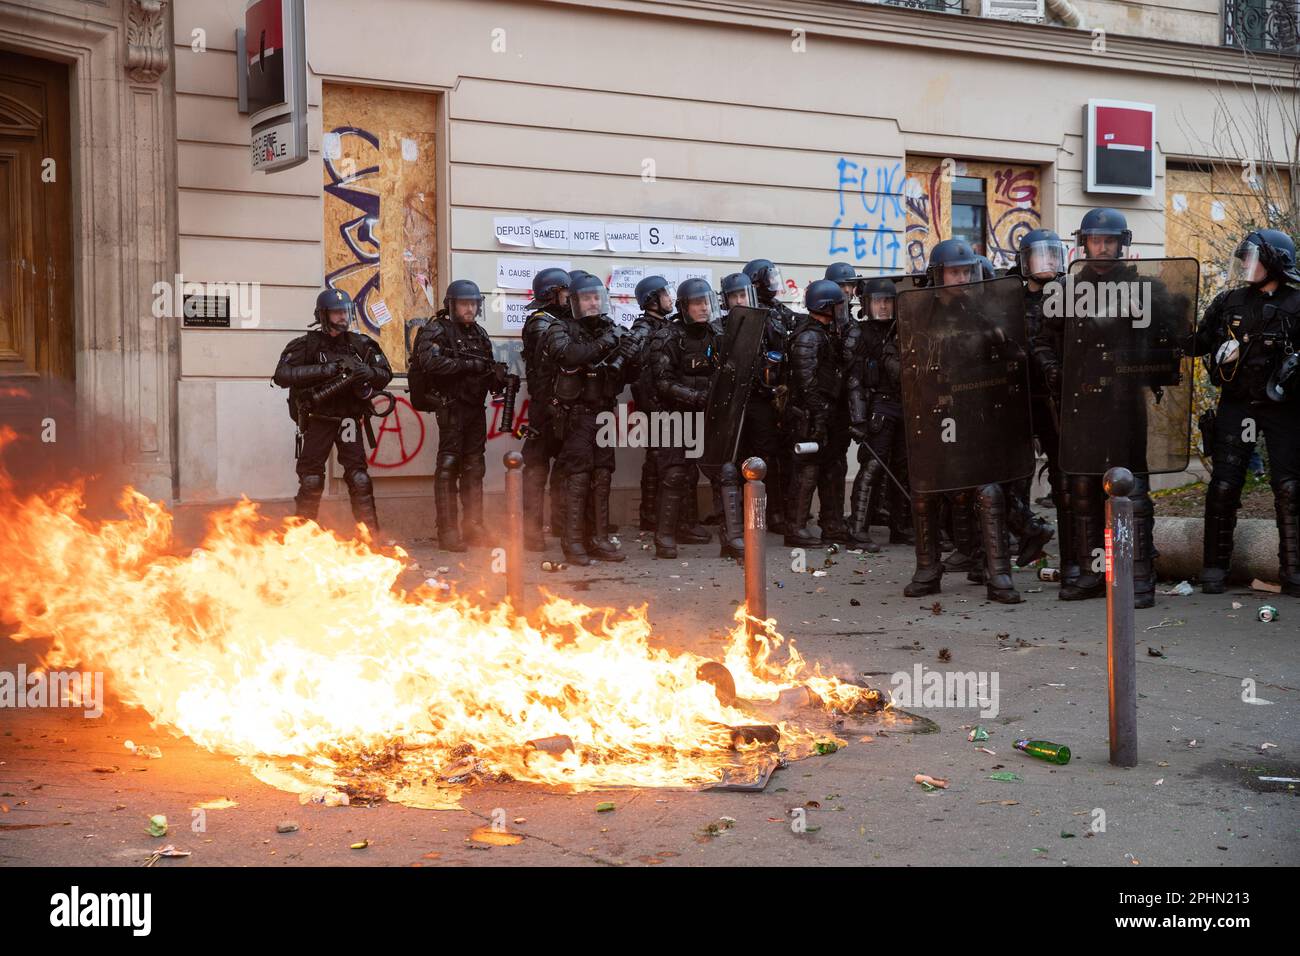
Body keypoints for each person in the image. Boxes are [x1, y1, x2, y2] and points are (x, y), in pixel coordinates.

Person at [902, 239, 1024, 604]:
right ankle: (927, 568)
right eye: (955, 271)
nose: (962, 278)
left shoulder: (980, 312)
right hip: (931, 412)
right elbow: (898, 360)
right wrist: (923, 373)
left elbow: (1010, 356)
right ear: (938, 274)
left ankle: (998, 572)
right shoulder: (917, 313)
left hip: (975, 414)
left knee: (987, 491)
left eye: (966, 270)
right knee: (926, 492)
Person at [1191, 228, 1300, 597]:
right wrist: (1162, 321)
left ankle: (1294, 574)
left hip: (1283, 409)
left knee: (1289, 488)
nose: (1246, 266)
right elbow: (1196, 342)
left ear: (1276, 263)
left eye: (1253, 259)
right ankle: (1213, 570)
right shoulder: (1229, 301)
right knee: (1223, 485)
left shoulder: (1298, 303)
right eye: (1244, 260)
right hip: (1237, 406)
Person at [274, 287, 392, 533]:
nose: (343, 317)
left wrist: (367, 373)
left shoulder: (361, 344)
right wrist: (325, 371)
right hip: (319, 418)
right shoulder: (306, 345)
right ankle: (302, 539)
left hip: (348, 418)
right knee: (311, 479)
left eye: (346, 311)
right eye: (337, 312)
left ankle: (371, 538)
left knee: (359, 478)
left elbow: (385, 374)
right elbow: (282, 375)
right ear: (323, 315)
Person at [649, 278, 746, 560]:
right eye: (697, 303)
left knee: (725, 472)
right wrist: (695, 397)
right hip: (676, 417)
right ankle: (665, 538)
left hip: (710, 418)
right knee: (675, 475)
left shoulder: (717, 334)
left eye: (707, 302)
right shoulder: (667, 337)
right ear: (683, 307)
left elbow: (728, 371)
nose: (704, 308)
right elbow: (662, 382)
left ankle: (731, 538)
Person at [542, 273, 633, 565]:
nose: (593, 303)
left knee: (603, 475)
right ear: (575, 301)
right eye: (586, 298)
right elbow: (568, 355)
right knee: (578, 476)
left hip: (604, 411)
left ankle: (599, 538)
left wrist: (629, 351)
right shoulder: (559, 327)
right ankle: (573, 541)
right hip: (576, 415)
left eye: (596, 297)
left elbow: (628, 368)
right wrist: (609, 343)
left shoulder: (610, 327)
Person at [410, 279, 504, 551]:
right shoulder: (436, 330)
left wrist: (497, 379)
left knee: (475, 468)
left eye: (473, 304)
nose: (470, 309)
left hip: (475, 409)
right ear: (452, 305)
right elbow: (428, 362)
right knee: (449, 467)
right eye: (464, 304)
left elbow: (484, 369)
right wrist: (467, 365)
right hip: (450, 406)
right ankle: (448, 529)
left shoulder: (480, 334)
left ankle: (474, 525)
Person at [844, 277, 907, 552]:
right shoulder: (860, 334)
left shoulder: (902, 329)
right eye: (878, 301)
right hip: (878, 406)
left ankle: (901, 527)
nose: (883, 306)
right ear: (867, 304)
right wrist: (858, 419)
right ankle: (857, 529)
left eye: (888, 301)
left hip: (904, 404)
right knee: (872, 466)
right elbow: (853, 380)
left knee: (904, 468)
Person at [783, 279, 846, 547]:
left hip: (825, 414)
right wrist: (819, 414)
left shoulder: (824, 333)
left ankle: (831, 525)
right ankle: (795, 529)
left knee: (832, 468)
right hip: (809, 416)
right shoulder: (808, 336)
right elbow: (807, 382)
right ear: (825, 306)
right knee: (807, 471)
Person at [740, 258, 795, 532]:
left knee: (781, 454)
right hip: (758, 397)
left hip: (780, 394)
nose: (775, 282)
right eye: (769, 278)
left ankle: (780, 510)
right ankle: (764, 514)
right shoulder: (751, 313)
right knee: (762, 455)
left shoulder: (780, 311)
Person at [520, 267, 570, 551]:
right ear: (552, 294)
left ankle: (563, 523)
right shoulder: (540, 322)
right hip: (544, 405)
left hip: (565, 404)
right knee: (536, 469)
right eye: (565, 292)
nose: (569, 297)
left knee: (565, 466)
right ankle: (531, 530)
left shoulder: (564, 320)